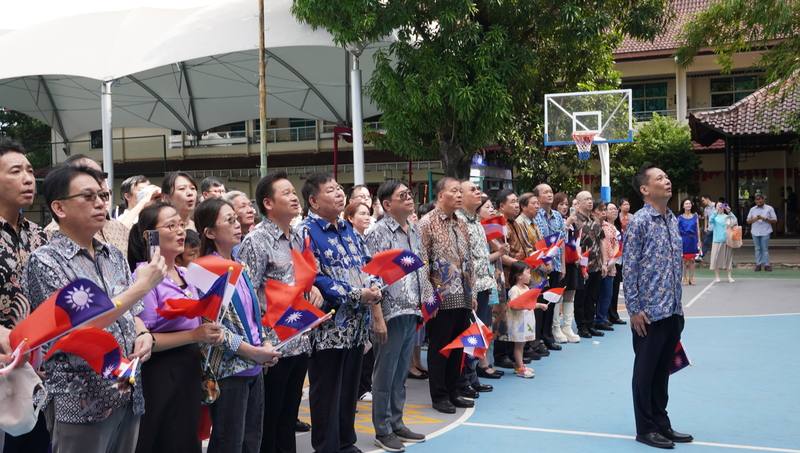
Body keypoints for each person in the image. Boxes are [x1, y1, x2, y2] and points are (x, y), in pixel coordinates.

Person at [24, 165, 166, 453]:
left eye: (102, 195)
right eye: (88, 196)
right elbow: (76, 329)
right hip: (81, 400)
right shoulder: (45, 260)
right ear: (59, 208)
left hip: (126, 391)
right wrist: (141, 287)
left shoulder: (112, 254)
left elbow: (133, 313)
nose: (101, 203)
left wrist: (144, 335)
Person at [127, 202, 224, 453]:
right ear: (150, 235)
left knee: (186, 438)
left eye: (181, 224)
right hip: (159, 372)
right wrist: (194, 334)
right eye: (171, 225)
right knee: (162, 438)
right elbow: (145, 337)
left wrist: (209, 328)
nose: (180, 231)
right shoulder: (144, 276)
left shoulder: (186, 273)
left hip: (189, 367)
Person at [238, 171, 321, 453]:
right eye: (285, 193)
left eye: (292, 191)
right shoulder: (256, 241)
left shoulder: (298, 237)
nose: (293, 196)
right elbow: (246, 294)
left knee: (288, 415)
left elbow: (301, 280)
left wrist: (314, 290)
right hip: (273, 343)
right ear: (268, 203)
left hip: (299, 337)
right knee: (269, 418)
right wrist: (260, 342)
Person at [301, 173, 381, 453]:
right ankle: (327, 446)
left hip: (357, 326)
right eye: (331, 190)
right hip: (328, 328)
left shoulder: (348, 229)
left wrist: (375, 284)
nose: (339, 194)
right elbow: (315, 277)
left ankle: (346, 442)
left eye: (339, 189)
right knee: (327, 390)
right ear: (313, 200)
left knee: (349, 388)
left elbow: (368, 265)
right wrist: (358, 294)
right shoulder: (306, 232)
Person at [194, 198, 281, 453]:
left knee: (251, 441)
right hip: (228, 371)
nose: (237, 225)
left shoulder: (237, 265)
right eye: (229, 220)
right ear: (209, 232)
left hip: (252, 367)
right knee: (228, 442)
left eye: (236, 219)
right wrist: (251, 351)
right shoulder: (203, 270)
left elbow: (253, 316)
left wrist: (263, 342)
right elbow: (212, 329)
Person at [624, 164, 692, 449]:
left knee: (663, 371)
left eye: (667, 176)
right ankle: (646, 427)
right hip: (648, 314)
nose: (667, 180)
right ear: (644, 189)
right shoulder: (639, 222)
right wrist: (634, 308)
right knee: (645, 372)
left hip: (673, 311)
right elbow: (629, 268)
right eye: (660, 178)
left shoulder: (671, 219)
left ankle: (661, 422)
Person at [366, 181, 427, 452]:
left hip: (411, 309)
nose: (409, 199)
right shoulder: (378, 232)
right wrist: (377, 315)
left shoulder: (413, 229)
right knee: (385, 374)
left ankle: (397, 422)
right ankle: (382, 428)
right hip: (390, 313)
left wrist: (425, 301)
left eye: (409, 195)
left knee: (401, 372)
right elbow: (371, 275)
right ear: (387, 204)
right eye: (402, 196)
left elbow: (419, 268)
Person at [0, 139, 49, 453]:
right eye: (15, 171)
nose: (28, 178)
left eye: (30, 171)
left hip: (37, 370)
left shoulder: (41, 235)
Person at [417, 177, 475, 414]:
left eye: (461, 191)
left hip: (463, 294)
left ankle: (454, 390)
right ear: (441, 195)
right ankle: (439, 395)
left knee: (458, 347)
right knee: (440, 348)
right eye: (455, 191)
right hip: (441, 298)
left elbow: (467, 259)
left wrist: (471, 292)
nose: (460, 195)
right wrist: (430, 298)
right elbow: (422, 262)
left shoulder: (461, 223)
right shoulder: (426, 223)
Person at [44, 155, 132, 256]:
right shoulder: (48, 238)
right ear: (59, 207)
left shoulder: (119, 228)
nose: (97, 182)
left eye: (101, 176)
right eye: (88, 195)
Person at [454, 180, 495, 399]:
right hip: (469, 289)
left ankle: (472, 378)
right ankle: (463, 381)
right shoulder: (458, 222)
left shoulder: (477, 222)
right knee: (468, 337)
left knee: (478, 335)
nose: (478, 192)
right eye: (473, 190)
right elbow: (463, 261)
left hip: (484, 285)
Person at [344, 201, 376, 403]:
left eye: (368, 213)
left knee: (366, 347)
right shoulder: (347, 239)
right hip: (353, 303)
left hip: (366, 302)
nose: (367, 217)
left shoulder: (363, 240)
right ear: (350, 217)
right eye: (362, 213)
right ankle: (359, 389)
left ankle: (362, 386)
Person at [476, 195, 506, 378]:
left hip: (492, 280)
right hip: (482, 281)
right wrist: (500, 253)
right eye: (487, 207)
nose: (492, 210)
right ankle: (482, 362)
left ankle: (487, 359)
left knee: (489, 320)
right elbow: (481, 260)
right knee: (482, 322)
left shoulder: (489, 230)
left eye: (492, 206)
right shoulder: (476, 229)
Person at [533, 184, 567, 346]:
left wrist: (562, 266)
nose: (549, 194)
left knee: (551, 302)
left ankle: (548, 335)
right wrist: (545, 262)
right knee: (540, 302)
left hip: (556, 264)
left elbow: (562, 242)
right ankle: (538, 337)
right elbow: (537, 243)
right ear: (537, 197)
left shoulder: (557, 216)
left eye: (551, 192)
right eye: (545, 192)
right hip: (540, 267)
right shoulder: (535, 215)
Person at [506, 262, 546, 378]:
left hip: (526, 321)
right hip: (519, 323)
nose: (530, 276)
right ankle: (520, 368)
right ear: (519, 276)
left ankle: (520, 364)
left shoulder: (526, 288)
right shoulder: (514, 290)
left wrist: (539, 305)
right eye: (528, 273)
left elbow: (530, 303)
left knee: (522, 345)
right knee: (518, 346)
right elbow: (513, 305)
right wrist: (526, 306)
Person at [574, 192, 606, 338]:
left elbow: (601, 242)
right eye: (586, 199)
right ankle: (582, 327)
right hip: (582, 266)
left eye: (590, 199)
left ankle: (590, 324)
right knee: (582, 297)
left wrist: (604, 263)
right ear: (578, 203)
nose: (590, 202)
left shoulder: (595, 221)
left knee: (593, 297)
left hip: (596, 265)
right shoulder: (574, 221)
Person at [553, 192, 582, 341]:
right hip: (559, 262)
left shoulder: (570, 220)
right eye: (561, 204)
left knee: (570, 293)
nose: (564, 207)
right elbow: (557, 237)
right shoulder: (557, 221)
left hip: (572, 262)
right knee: (558, 294)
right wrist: (567, 223)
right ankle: (556, 328)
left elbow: (575, 241)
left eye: (566, 204)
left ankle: (567, 327)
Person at [595, 202, 619, 331]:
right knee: (597, 294)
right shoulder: (595, 227)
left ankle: (602, 318)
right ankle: (597, 318)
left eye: (605, 209)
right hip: (598, 264)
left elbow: (616, 244)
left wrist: (613, 259)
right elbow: (600, 245)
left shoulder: (610, 227)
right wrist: (604, 262)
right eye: (602, 210)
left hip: (611, 264)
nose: (604, 212)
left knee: (607, 293)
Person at [746, 194, 777, 272]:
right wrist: (756, 218)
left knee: (765, 249)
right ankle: (758, 265)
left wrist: (764, 218)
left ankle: (767, 265)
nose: (758, 201)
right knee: (757, 249)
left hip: (765, 231)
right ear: (755, 201)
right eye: (757, 199)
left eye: (760, 199)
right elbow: (748, 221)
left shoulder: (769, 208)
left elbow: (775, 220)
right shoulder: (752, 209)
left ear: (763, 199)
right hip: (755, 231)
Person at [608, 202, 627, 326]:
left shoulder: (618, 226)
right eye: (611, 209)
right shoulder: (605, 227)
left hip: (618, 261)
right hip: (609, 262)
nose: (614, 211)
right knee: (607, 291)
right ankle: (606, 315)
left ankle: (614, 315)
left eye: (615, 209)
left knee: (614, 289)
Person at [710, 202, 737, 283]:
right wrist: (715, 212)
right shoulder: (714, 217)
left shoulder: (727, 217)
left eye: (722, 205)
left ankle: (729, 276)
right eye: (718, 206)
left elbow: (735, 221)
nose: (720, 207)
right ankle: (717, 276)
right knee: (716, 258)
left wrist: (729, 211)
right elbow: (710, 220)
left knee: (728, 259)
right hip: (717, 240)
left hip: (727, 240)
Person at [677, 199, 702, 285]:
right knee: (684, 260)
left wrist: (699, 240)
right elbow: (677, 231)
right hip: (684, 240)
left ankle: (692, 278)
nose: (688, 205)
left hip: (693, 239)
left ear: (691, 205)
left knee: (692, 260)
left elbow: (697, 229)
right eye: (686, 204)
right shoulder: (679, 217)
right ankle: (684, 278)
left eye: (689, 203)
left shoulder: (695, 216)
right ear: (683, 206)